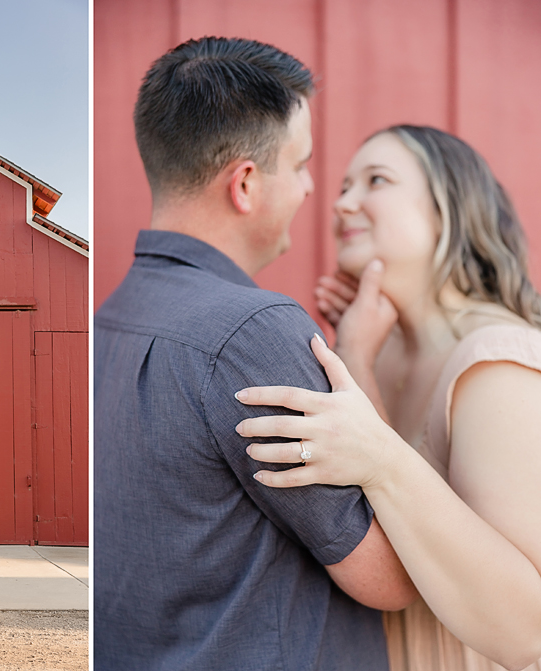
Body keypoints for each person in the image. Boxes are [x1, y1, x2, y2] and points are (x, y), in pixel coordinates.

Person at [94, 37, 416, 670]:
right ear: (244, 184)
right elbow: (394, 578)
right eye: (300, 165)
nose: (309, 189)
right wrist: (357, 358)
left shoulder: (109, 321)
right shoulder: (254, 333)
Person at [236, 125, 541, 670]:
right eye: (344, 186)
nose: (342, 203)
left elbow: (528, 631)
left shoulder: (497, 361)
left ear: (450, 208)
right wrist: (355, 351)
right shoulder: (376, 352)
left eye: (376, 180)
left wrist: (381, 457)